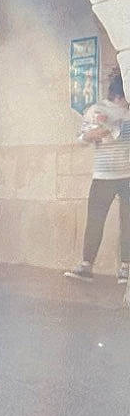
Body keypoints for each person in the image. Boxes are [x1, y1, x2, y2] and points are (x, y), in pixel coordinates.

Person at [66, 69, 129, 282]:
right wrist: (98, 132)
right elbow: (81, 139)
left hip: (128, 175)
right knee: (95, 220)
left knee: (128, 221)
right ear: (119, 95)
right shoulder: (98, 109)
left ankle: (126, 268)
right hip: (103, 175)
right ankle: (86, 265)